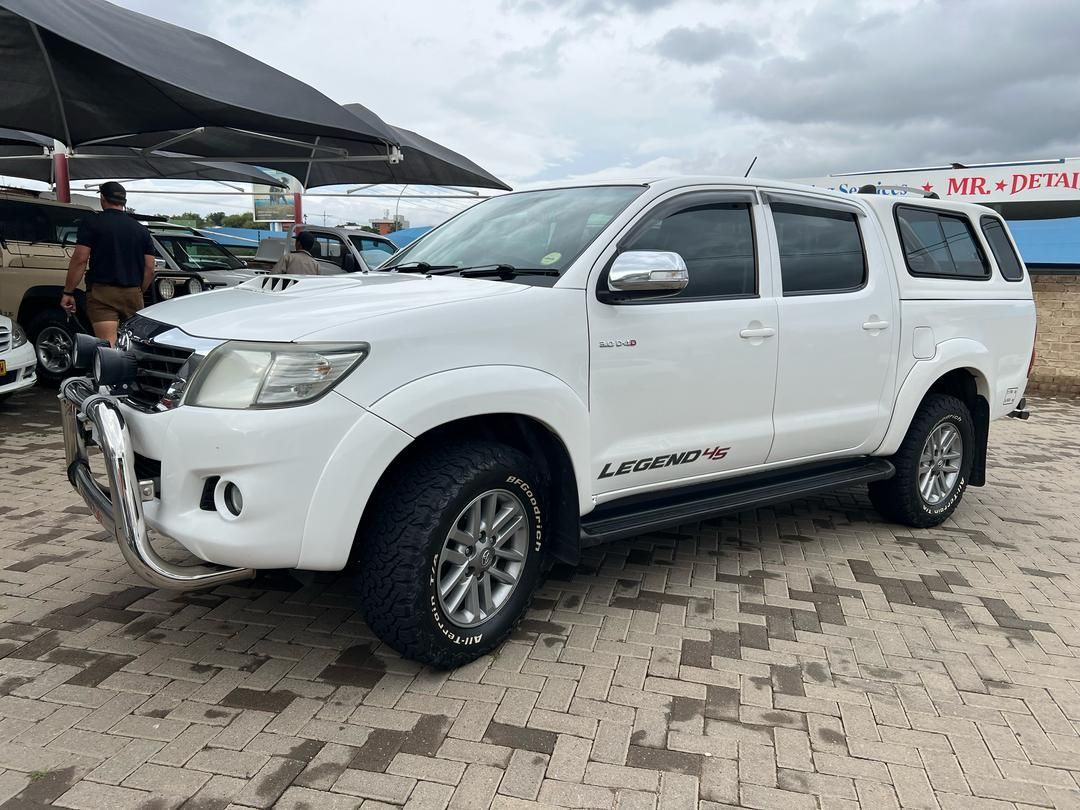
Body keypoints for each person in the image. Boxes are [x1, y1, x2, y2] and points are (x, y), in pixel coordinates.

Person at [61, 181, 154, 347]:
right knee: (134, 346)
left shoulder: (92, 223)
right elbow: (149, 267)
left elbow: (80, 259)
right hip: (133, 293)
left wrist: (68, 292)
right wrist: (139, 290)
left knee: (108, 347)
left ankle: (110, 373)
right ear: (124, 201)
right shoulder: (141, 229)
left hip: (102, 294)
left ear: (103, 198)